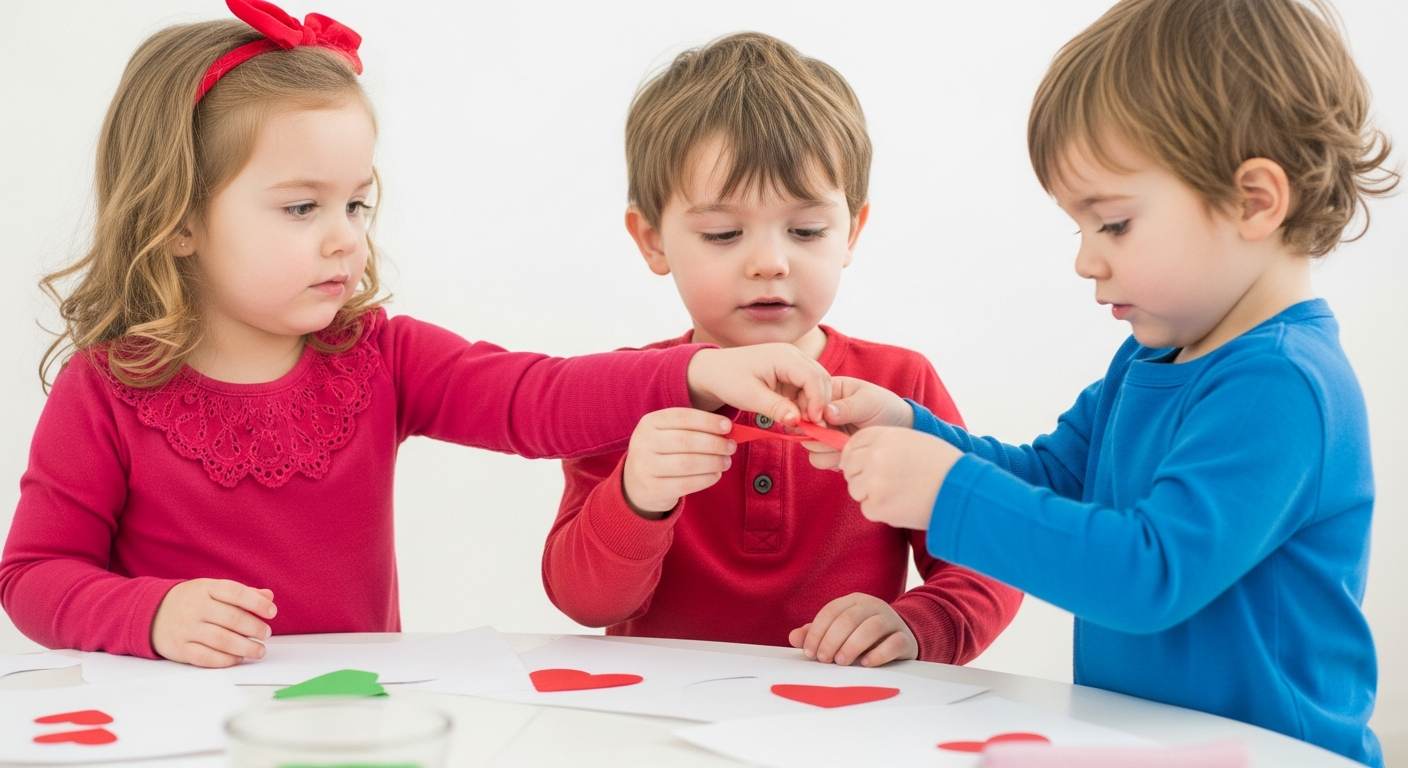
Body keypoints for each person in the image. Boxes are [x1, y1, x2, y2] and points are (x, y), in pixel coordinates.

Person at [0, 1, 832, 670]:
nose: (344, 238)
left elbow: (533, 400)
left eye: (355, 203)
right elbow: (32, 576)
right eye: (302, 208)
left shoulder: (378, 356)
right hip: (171, 728)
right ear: (178, 221)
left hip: (354, 724)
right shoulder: (108, 388)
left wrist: (696, 373)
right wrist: (150, 614)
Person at [810, 0, 1394, 762]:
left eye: (1113, 223)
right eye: (1078, 228)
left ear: (1255, 200)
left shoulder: (1283, 385)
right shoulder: (1154, 357)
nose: (1086, 259)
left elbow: (1147, 573)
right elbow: (1050, 475)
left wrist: (947, 491)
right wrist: (911, 431)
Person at [542, 33, 1022, 669]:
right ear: (652, 240)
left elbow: (995, 554)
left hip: (848, 724)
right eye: (722, 233)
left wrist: (919, 627)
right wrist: (635, 495)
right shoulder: (620, 391)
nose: (770, 262)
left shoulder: (898, 386)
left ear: (851, 231)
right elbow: (585, 602)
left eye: (805, 230)